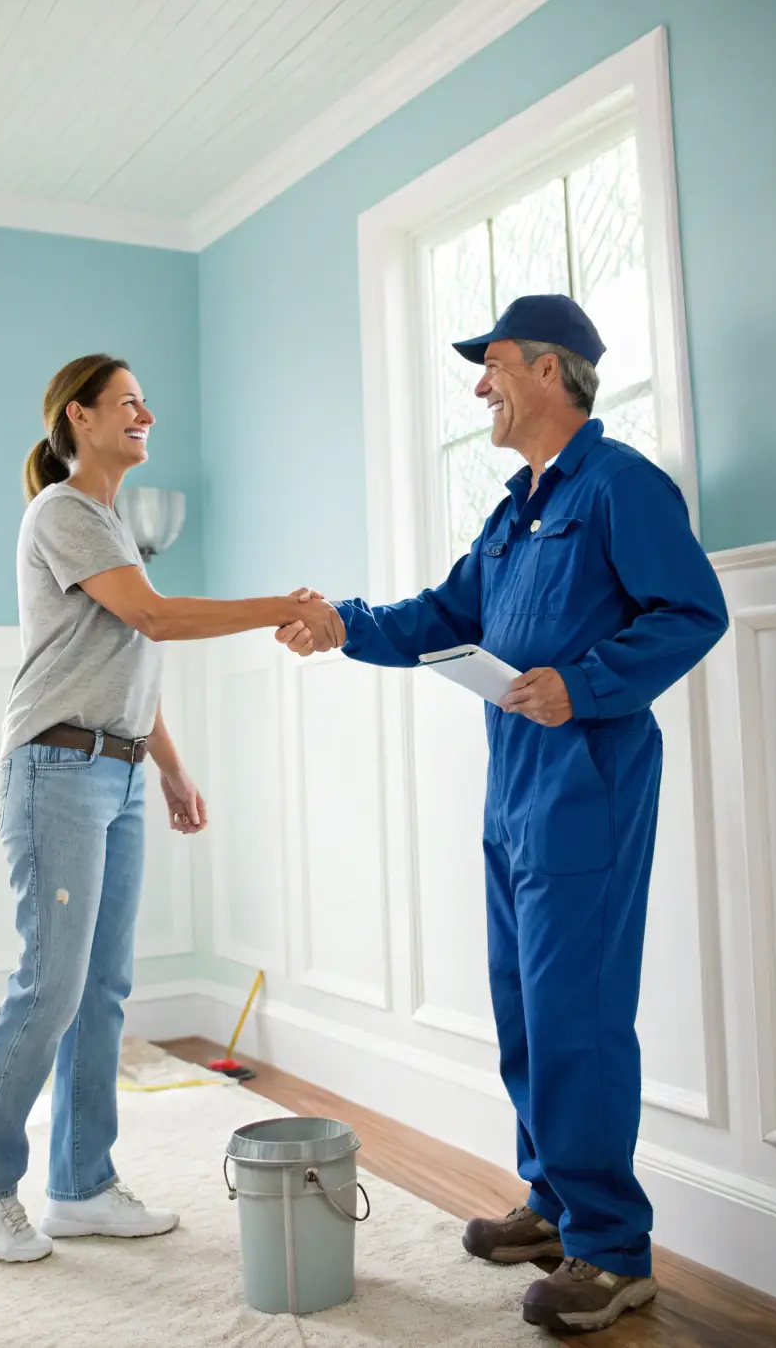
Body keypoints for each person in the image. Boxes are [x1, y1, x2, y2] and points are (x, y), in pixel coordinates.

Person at [276, 295, 729, 1335]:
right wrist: (341, 622)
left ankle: (612, 1250)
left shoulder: (620, 485)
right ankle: (554, 1203)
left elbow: (693, 611)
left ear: (548, 371)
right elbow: (444, 615)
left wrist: (585, 683)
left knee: (577, 1016)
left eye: (494, 365)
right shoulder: (515, 509)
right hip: (513, 789)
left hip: (588, 787)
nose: (480, 384)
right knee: (524, 1009)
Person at [0, 354, 337, 1263]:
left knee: (101, 989)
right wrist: (284, 604)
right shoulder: (64, 511)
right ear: (78, 417)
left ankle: (80, 1186)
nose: (144, 413)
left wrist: (172, 770)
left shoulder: (113, 527)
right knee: (51, 983)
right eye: (126, 402)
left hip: (111, 772)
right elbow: (154, 620)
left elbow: (130, 665)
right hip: (55, 769)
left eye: (145, 403)